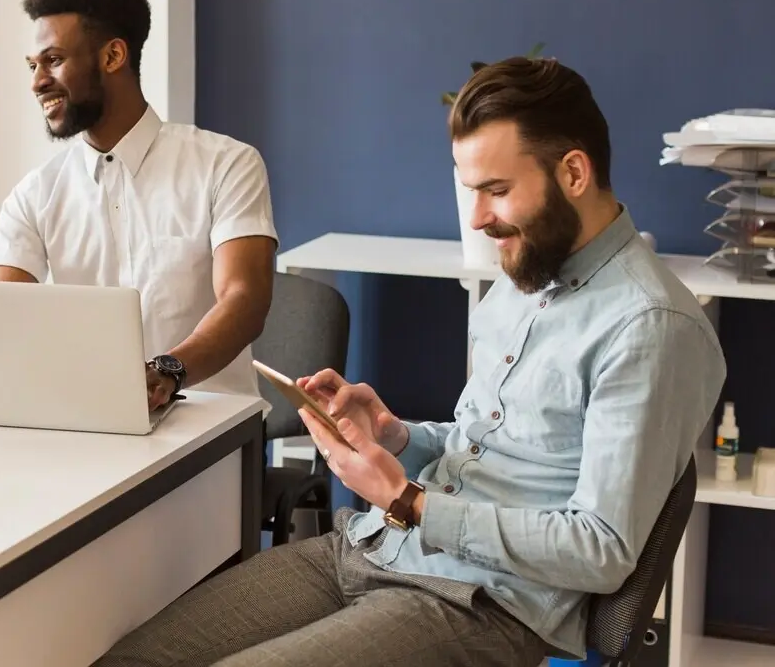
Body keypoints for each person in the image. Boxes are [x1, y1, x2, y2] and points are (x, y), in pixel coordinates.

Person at [94, 57, 727, 666]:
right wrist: (398, 437)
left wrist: (411, 503)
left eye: (498, 191)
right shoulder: (524, 276)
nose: (478, 218)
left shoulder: (651, 328)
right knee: (131, 660)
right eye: (471, 190)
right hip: (373, 546)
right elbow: (490, 443)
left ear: (574, 173)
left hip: (481, 605)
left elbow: (603, 549)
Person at [0, 0, 279, 408]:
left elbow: (244, 300)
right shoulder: (35, 194)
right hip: (90, 423)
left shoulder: (227, 164)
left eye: (53, 60)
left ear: (114, 55)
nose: (37, 81)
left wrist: (166, 373)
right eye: (33, 65)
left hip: (209, 430)